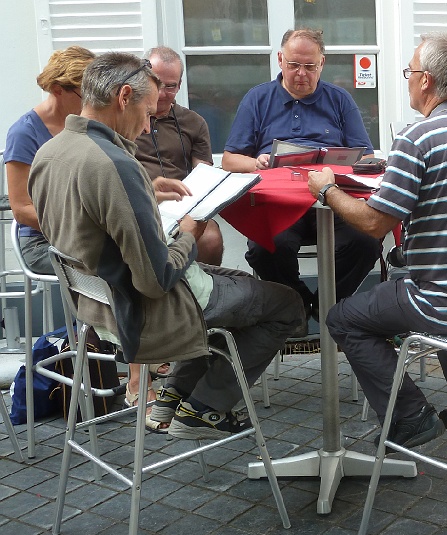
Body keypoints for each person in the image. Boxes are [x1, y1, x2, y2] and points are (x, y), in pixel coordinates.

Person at [28, 52, 305, 440]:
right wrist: (192, 228)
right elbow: (158, 279)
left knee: (233, 289)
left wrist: (146, 194)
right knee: (287, 304)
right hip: (146, 312)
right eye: (146, 111)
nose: (146, 126)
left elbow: (89, 219)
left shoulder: (52, 151)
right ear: (124, 96)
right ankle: (204, 409)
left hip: (96, 307)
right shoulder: (114, 165)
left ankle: (174, 393)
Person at [307, 32, 447, 450]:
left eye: (409, 71)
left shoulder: (418, 137)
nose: (406, 78)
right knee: (440, 285)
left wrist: (327, 189)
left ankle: (411, 415)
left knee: (341, 318)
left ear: (425, 81)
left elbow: (373, 224)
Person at [221, 28, 381, 329]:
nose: (302, 73)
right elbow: (230, 160)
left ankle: (325, 307)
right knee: (265, 246)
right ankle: (295, 301)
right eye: (294, 64)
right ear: (280, 60)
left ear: (322, 64)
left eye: (310, 66)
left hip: (333, 199)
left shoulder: (339, 100)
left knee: (367, 242)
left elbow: (364, 156)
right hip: (280, 203)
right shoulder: (258, 98)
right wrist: (257, 162)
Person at [4, 46, 96, 275]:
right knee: (109, 265)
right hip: (41, 243)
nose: (93, 103)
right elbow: (22, 209)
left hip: (85, 237)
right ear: (57, 90)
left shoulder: (87, 124)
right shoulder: (24, 133)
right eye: (86, 96)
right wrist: (77, 229)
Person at [135, 46, 224, 267]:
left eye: (171, 86)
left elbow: (203, 173)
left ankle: (205, 297)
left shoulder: (194, 122)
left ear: (180, 86)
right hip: (141, 204)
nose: (162, 93)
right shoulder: (126, 119)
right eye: (156, 84)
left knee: (211, 239)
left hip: (183, 205)